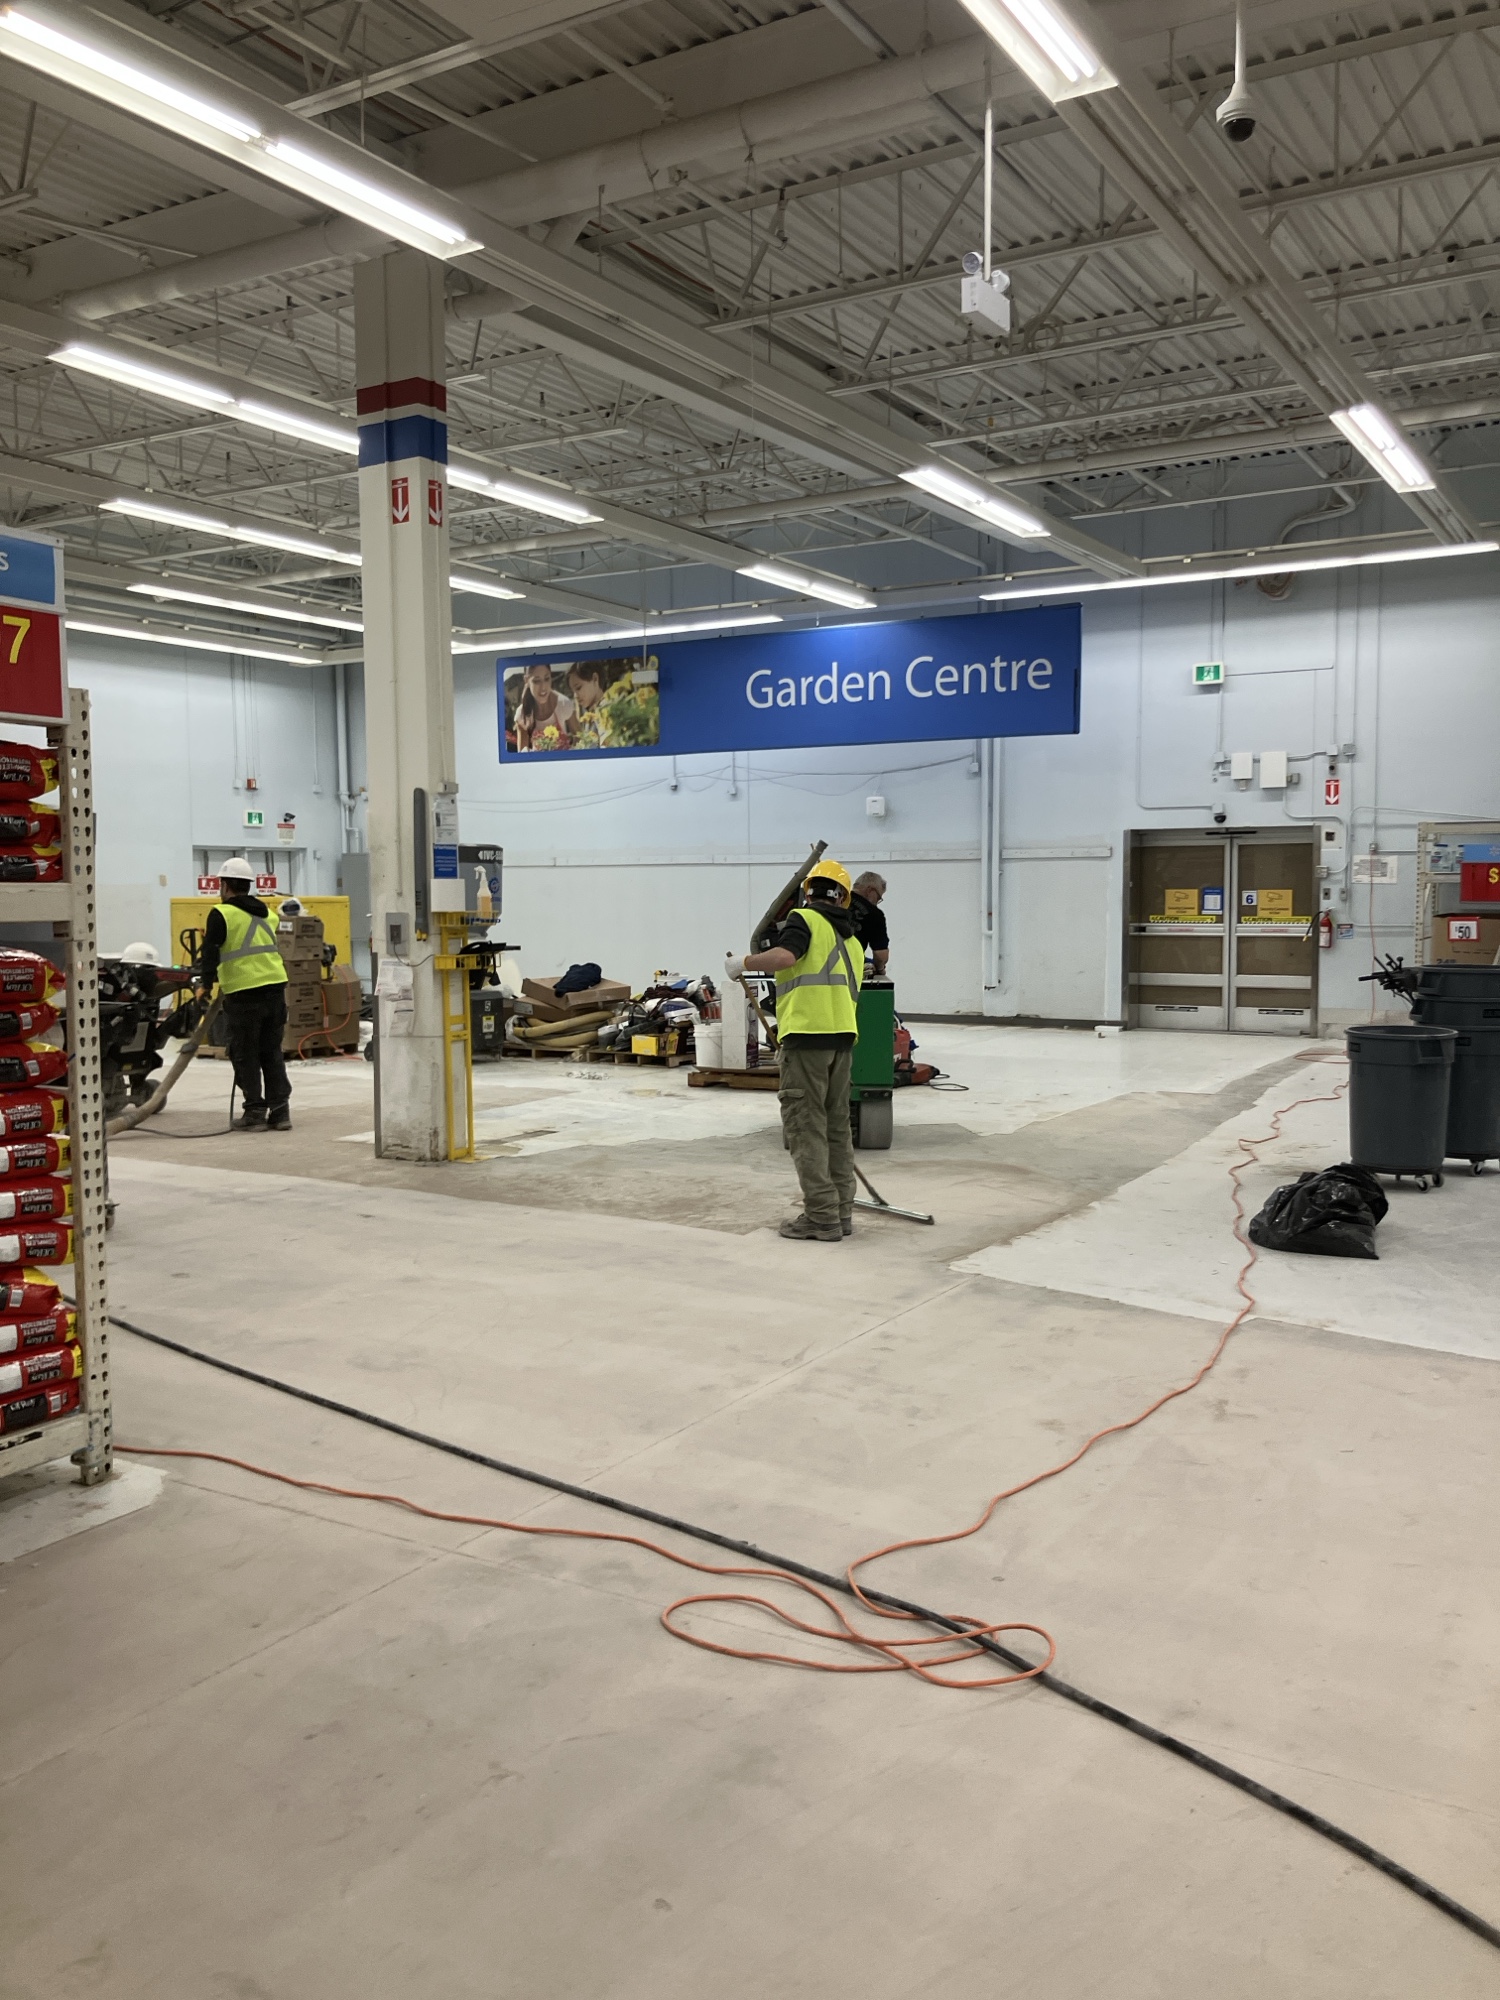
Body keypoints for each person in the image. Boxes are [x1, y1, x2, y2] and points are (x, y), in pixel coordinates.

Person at [727, 858, 864, 1243]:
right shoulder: (853, 942)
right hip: (841, 1041)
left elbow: (786, 957)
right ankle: (841, 1212)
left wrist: (744, 963)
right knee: (836, 1128)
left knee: (806, 1128)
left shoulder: (803, 920)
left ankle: (820, 1217)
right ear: (843, 898)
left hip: (806, 1039)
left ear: (808, 893)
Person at [200, 857, 292, 1131]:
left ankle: (254, 1112)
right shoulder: (268, 914)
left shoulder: (222, 913)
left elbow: (210, 950)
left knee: (244, 1052)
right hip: (275, 988)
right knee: (271, 1052)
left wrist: (205, 984)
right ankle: (280, 1112)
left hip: (244, 992)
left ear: (225, 885)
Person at [514, 663, 575, 751]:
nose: (543, 687)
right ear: (526, 681)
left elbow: (580, 737)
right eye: (536, 681)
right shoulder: (522, 714)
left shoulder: (563, 704)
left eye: (547, 679)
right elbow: (522, 753)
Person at [849, 871, 890, 975]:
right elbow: (881, 955)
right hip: (850, 968)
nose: (877, 902)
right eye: (878, 898)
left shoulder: (837, 900)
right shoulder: (874, 914)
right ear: (870, 890)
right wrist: (880, 969)